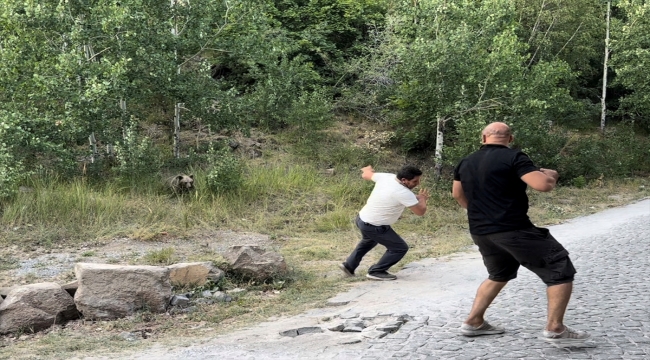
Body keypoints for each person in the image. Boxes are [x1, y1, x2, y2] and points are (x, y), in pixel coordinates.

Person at [452, 122, 590, 348]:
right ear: (511, 138)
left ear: (483, 137)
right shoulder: (515, 157)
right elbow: (542, 185)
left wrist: (482, 213)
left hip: (481, 230)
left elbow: (457, 194)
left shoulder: (466, 161)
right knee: (559, 267)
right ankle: (556, 328)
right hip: (513, 229)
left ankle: (474, 321)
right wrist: (551, 175)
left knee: (499, 273)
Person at [339, 165, 429, 281]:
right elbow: (420, 211)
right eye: (415, 181)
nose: (418, 184)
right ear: (403, 180)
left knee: (369, 241)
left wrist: (367, 168)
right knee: (399, 248)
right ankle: (377, 271)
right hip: (375, 225)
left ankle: (348, 266)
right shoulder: (403, 192)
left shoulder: (387, 177)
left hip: (362, 219)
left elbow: (366, 174)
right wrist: (422, 199)